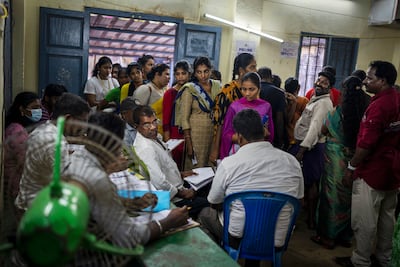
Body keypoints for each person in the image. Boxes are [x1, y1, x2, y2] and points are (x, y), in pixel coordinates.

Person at [61, 111, 190, 266]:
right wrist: (167, 222)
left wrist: (134, 203)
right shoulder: (98, 180)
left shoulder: (79, 157)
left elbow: (96, 203)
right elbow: (129, 238)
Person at [198, 109, 303, 265]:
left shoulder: (229, 163)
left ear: (239, 137)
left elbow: (214, 202)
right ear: (265, 132)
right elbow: (298, 201)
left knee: (205, 214)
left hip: (237, 237)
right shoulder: (291, 162)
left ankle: (219, 261)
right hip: (277, 238)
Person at [335, 61, 400, 267]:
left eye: (370, 78)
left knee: (365, 220)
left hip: (372, 171)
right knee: (387, 219)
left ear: (382, 81)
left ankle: (361, 260)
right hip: (392, 171)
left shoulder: (380, 105)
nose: (365, 82)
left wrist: (352, 167)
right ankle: (383, 258)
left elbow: (366, 143)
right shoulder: (397, 99)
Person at [311, 75, 370, 250]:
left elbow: (323, 130)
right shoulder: (364, 112)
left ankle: (328, 237)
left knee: (331, 197)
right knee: (349, 198)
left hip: (334, 160)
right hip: (354, 160)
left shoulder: (336, 113)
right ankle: (345, 236)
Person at [15, 93, 91, 211]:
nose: (84, 127)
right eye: (82, 122)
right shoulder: (56, 143)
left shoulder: (46, 127)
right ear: (68, 119)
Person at [132, 105, 209, 218]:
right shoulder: (146, 148)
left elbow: (164, 166)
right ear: (136, 126)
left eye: (154, 122)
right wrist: (182, 193)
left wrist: (180, 174)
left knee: (208, 185)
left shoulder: (153, 137)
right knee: (208, 203)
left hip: (178, 186)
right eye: (147, 124)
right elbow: (159, 182)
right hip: (173, 198)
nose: (153, 127)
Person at [289, 71, 334, 230]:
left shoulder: (323, 103)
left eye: (324, 82)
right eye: (318, 80)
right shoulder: (317, 99)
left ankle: (309, 220)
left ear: (330, 86)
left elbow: (315, 128)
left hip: (310, 147)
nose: (319, 83)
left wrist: (302, 150)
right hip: (304, 144)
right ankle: (307, 218)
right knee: (306, 183)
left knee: (310, 183)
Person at [210, 53, 257, 163]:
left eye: (255, 66)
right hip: (231, 142)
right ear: (241, 71)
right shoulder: (228, 92)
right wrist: (215, 150)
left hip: (251, 143)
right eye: (252, 67)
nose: (255, 70)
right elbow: (220, 123)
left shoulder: (255, 91)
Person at [175, 56, 220, 170]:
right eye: (199, 72)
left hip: (213, 135)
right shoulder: (190, 89)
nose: (203, 75)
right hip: (195, 137)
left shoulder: (217, 86)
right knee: (196, 170)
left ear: (211, 70)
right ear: (194, 73)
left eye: (206, 71)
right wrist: (189, 143)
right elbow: (184, 119)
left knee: (210, 168)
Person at [220, 72, 274, 160]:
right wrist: (247, 138)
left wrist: (266, 133)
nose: (247, 93)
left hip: (259, 152)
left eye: (251, 89)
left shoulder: (266, 106)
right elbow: (226, 134)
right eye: (244, 89)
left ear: (259, 88)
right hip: (238, 150)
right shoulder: (234, 106)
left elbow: (270, 133)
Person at [4, 92, 41, 204]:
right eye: (34, 108)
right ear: (21, 109)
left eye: (39, 107)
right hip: (17, 187)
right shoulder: (17, 132)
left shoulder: (18, 127)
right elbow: (26, 164)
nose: (38, 111)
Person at [162, 60, 191, 169]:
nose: (181, 77)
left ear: (189, 74)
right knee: (175, 165)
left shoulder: (192, 91)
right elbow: (166, 119)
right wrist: (168, 140)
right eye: (177, 74)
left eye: (183, 73)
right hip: (174, 134)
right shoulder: (170, 93)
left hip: (189, 132)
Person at [133, 63, 170, 135]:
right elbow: (136, 112)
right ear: (157, 74)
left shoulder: (166, 90)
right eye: (166, 74)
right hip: (148, 131)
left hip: (163, 131)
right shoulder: (146, 89)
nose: (169, 77)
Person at [258, 67, 287, 149]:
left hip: (253, 134)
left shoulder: (252, 90)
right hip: (271, 133)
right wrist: (280, 139)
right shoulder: (279, 93)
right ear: (271, 78)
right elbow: (279, 119)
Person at [284, 77, 309, 149]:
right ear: (298, 88)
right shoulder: (303, 101)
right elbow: (288, 120)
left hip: (294, 137)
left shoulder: (303, 101)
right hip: (294, 137)